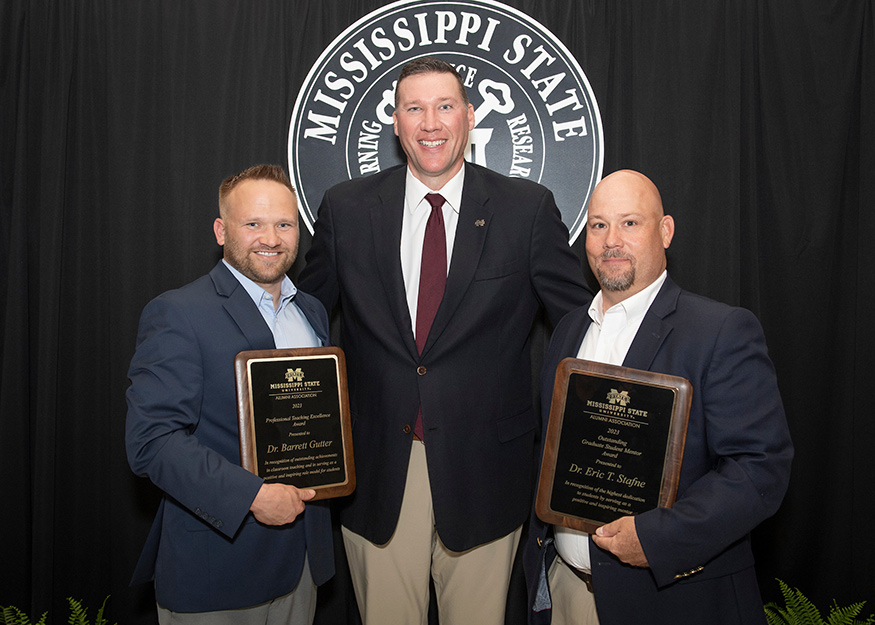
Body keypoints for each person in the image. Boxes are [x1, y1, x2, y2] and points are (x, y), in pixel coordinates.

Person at [297, 57, 592, 625]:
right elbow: (305, 320)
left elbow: (579, 326)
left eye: (444, 107)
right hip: (379, 472)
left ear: (470, 117)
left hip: (488, 474)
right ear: (395, 124)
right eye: (414, 109)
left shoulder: (526, 209)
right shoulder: (346, 209)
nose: (430, 123)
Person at [523, 169, 794, 624]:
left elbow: (760, 469)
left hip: (671, 602)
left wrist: (658, 538)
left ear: (665, 231)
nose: (612, 240)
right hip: (566, 592)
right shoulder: (569, 331)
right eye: (598, 225)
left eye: (630, 223)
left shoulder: (720, 331)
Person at [125, 165, 333, 623]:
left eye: (284, 224)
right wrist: (253, 497)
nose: (271, 238)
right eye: (253, 224)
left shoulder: (312, 312)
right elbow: (151, 442)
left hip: (302, 566)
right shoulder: (178, 313)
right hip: (218, 570)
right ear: (221, 231)